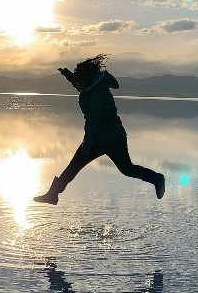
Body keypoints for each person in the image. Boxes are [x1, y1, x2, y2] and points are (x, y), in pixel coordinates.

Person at [34, 54, 165, 205]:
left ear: (87, 79)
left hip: (108, 139)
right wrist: (68, 75)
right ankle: (52, 194)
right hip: (108, 137)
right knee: (78, 167)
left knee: (124, 169)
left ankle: (157, 178)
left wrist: (87, 144)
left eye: (78, 78)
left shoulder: (96, 94)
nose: (76, 82)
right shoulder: (94, 86)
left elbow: (93, 122)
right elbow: (80, 85)